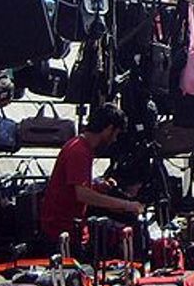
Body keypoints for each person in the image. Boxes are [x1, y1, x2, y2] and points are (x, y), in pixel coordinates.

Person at [40, 103, 142, 242]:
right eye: (115, 134)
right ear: (108, 129)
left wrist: (99, 187)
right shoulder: (79, 151)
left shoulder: (80, 146)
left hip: (69, 226)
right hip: (62, 230)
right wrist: (126, 205)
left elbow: (73, 188)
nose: (114, 140)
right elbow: (83, 195)